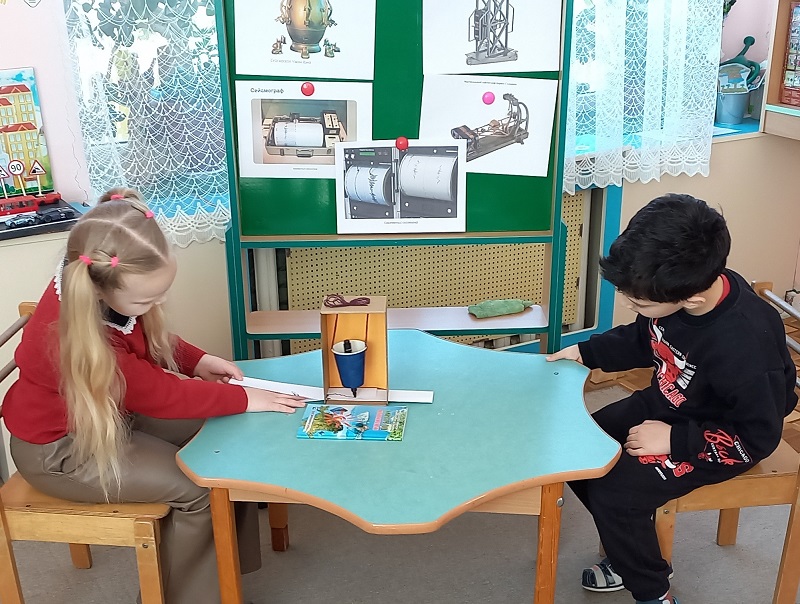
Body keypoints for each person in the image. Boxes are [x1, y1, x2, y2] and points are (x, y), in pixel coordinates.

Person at [2, 188, 306, 604]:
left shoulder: (94, 274)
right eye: (147, 299)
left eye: (162, 292)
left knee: (227, 444)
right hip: (60, 452)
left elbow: (141, 337)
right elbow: (158, 393)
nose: (157, 303)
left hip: (108, 415)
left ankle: (224, 581)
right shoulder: (79, 335)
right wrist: (246, 398)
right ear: (100, 290)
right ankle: (192, 599)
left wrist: (196, 360)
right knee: (198, 488)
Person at [547, 193, 797, 604]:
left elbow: (758, 436)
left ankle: (652, 590)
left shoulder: (746, 344)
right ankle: (631, 550)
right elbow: (645, 336)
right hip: (672, 402)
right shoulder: (683, 288)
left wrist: (674, 440)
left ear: (691, 298)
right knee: (579, 447)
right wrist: (586, 352)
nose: (630, 304)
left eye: (639, 302)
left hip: (722, 437)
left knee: (616, 495)